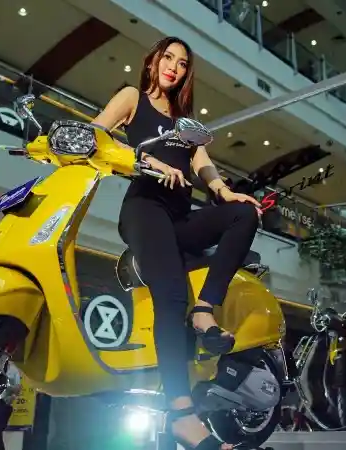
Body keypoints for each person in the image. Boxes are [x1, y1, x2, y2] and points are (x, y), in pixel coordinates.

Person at [92, 37, 261, 450]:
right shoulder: (132, 97)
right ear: (153, 61)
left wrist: (225, 192)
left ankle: (204, 310)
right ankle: (182, 416)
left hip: (180, 217)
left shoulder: (185, 119)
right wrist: (146, 160)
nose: (174, 66)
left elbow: (202, 162)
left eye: (182, 63)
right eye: (168, 58)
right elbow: (95, 133)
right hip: (145, 209)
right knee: (169, 296)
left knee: (244, 214)